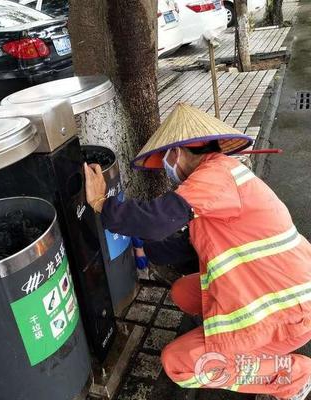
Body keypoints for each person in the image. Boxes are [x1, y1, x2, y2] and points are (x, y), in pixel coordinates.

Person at [84, 103, 311, 400]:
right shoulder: (220, 178)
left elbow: (156, 220)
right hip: (280, 290)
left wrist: (103, 203)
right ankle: (238, 342)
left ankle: (292, 375)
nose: (166, 165)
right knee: (183, 291)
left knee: (178, 363)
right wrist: (138, 244)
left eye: (166, 157)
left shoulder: (215, 176)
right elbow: (183, 245)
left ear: (177, 152)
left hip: (288, 312)